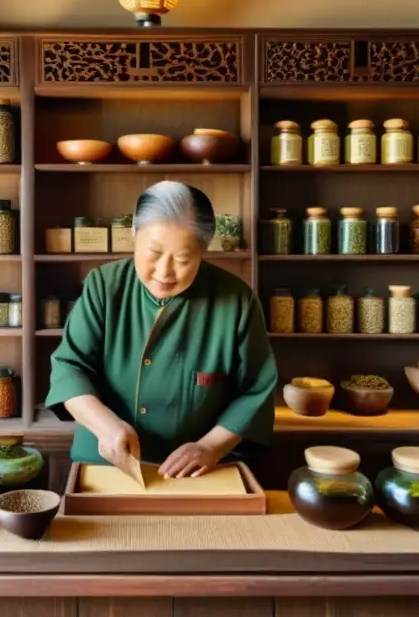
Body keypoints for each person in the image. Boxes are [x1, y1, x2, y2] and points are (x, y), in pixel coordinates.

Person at [45, 181, 277, 478]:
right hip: (106, 460)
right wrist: (106, 426)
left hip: (199, 468)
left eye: (183, 259)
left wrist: (211, 447)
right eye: (153, 253)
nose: (165, 272)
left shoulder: (237, 300)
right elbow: (69, 367)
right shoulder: (104, 285)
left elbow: (256, 390)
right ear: (133, 234)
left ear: (204, 249)